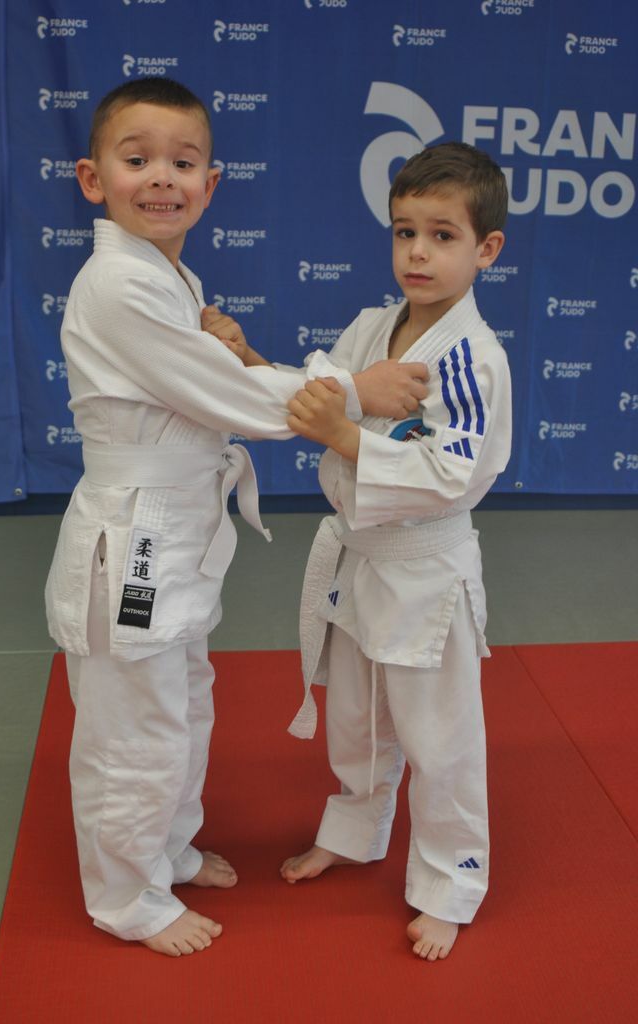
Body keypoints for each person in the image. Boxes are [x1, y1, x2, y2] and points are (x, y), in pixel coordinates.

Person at [44, 77, 428, 959]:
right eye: (137, 160)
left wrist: (223, 346)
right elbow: (223, 396)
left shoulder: (168, 278)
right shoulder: (118, 284)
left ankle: (167, 851)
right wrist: (353, 390)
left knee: (183, 705)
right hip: (134, 542)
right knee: (134, 728)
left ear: (211, 185)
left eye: (183, 163)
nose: (162, 178)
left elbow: (209, 381)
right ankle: (128, 897)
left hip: (171, 535)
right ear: (93, 179)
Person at [278, 142, 512, 961]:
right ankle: (356, 830)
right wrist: (250, 366)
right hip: (361, 557)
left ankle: (452, 881)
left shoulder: (474, 357)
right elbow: (322, 389)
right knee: (357, 717)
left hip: (426, 571)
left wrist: (346, 437)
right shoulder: (374, 325)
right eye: (405, 232)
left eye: (443, 236)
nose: (418, 252)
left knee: (440, 739)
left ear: (486, 249)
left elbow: (453, 472)